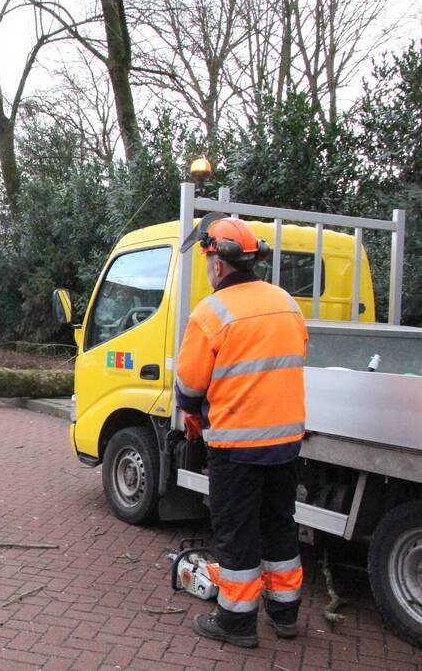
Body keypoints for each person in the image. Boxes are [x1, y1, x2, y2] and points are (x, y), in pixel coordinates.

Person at [175, 215, 308, 649]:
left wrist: (195, 413)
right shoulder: (286, 302)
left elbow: (189, 386)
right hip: (285, 443)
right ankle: (285, 615)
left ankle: (236, 622)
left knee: (237, 532)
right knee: (279, 525)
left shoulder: (211, 312)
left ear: (218, 262)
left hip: (236, 445)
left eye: (208, 261)